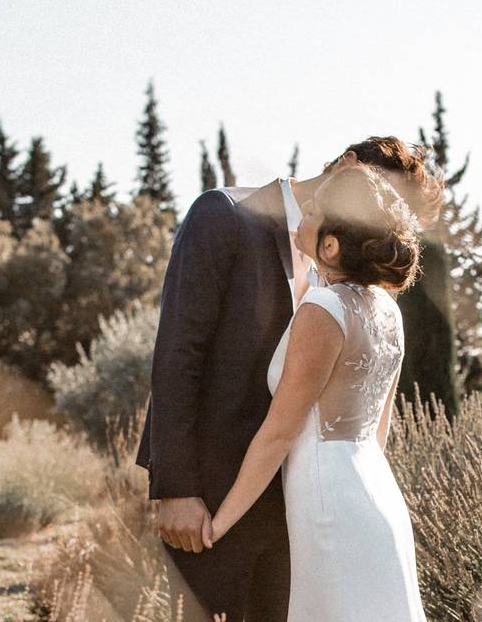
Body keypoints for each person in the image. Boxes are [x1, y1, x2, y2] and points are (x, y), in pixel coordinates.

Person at [134, 137, 443, 621]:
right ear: (347, 166)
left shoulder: (355, 284)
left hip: (304, 516)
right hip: (215, 500)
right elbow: (178, 353)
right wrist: (175, 486)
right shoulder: (225, 216)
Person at [205, 165, 430, 620]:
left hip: (328, 503)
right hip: (377, 494)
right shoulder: (388, 311)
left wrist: (221, 521)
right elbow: (379, 430)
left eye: (311, 212)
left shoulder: (322, 310)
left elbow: (279, 433)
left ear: (329, 244)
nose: (300, 217)